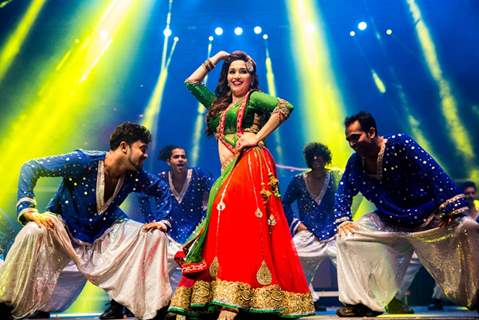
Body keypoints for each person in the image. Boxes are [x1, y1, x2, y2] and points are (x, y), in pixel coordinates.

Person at [168, 50, 314, 320]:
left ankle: (233, 301)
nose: (237, 76)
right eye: (232, 71)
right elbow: (191, 82)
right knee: (222, 223)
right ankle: (221, 294)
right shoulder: (218, 105)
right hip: (229, 170)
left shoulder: (255, 98)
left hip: (251, 163)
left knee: (242, 222)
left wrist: (256, 137)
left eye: (242, 71)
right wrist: (218, 57)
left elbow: (285, 107)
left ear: (251, 76)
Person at [0, 122, 173, 320]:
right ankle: (5, 304)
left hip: (101, 234)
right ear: (124, 146)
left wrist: (162, 221)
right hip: (62, 229)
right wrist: (28, 209)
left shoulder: (134, 176)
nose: (146, 155)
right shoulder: (84, 161)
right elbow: (31, 167)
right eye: (142, 149)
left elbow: (161, 189)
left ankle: (141, 308)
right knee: (33, 231)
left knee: (154, 236)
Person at [333, 111, 479, 317]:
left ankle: (476, 295)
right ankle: (361, 304)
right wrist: (343, 218)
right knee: (347, 238)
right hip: (389, 222)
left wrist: (451, 208)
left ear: (372, 132)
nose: (352, 144)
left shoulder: (400, 144)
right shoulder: (356, 162)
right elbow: (344, 190)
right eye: (348, 140)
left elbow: (432, 171)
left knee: (469, 227)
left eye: (355, 137)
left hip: (427, 218)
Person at [139, 145, 213, 289]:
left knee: (194, 275)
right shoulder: (161, 179)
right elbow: (143, 197)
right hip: (169, 235)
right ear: (168, 161)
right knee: (158, 273)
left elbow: (213, 194)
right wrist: (152, 220)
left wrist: (206, 218)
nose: (181, 160)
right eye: (176, 157)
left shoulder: (199, 175)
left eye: (183, 157)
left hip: (194, 235)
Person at [282, 142, 343, 312]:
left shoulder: (336, 177)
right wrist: (296, 224)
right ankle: (308, 298)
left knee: (349, 261)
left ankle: (356, 301)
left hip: (333, 232)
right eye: (313, 156)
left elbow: (348, 198)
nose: (316, 158)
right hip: (308, 232)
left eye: (319, 155)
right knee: (292, 258)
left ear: (326, 158)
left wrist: (343, 221)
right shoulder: (298, 181)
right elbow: (284, 203)